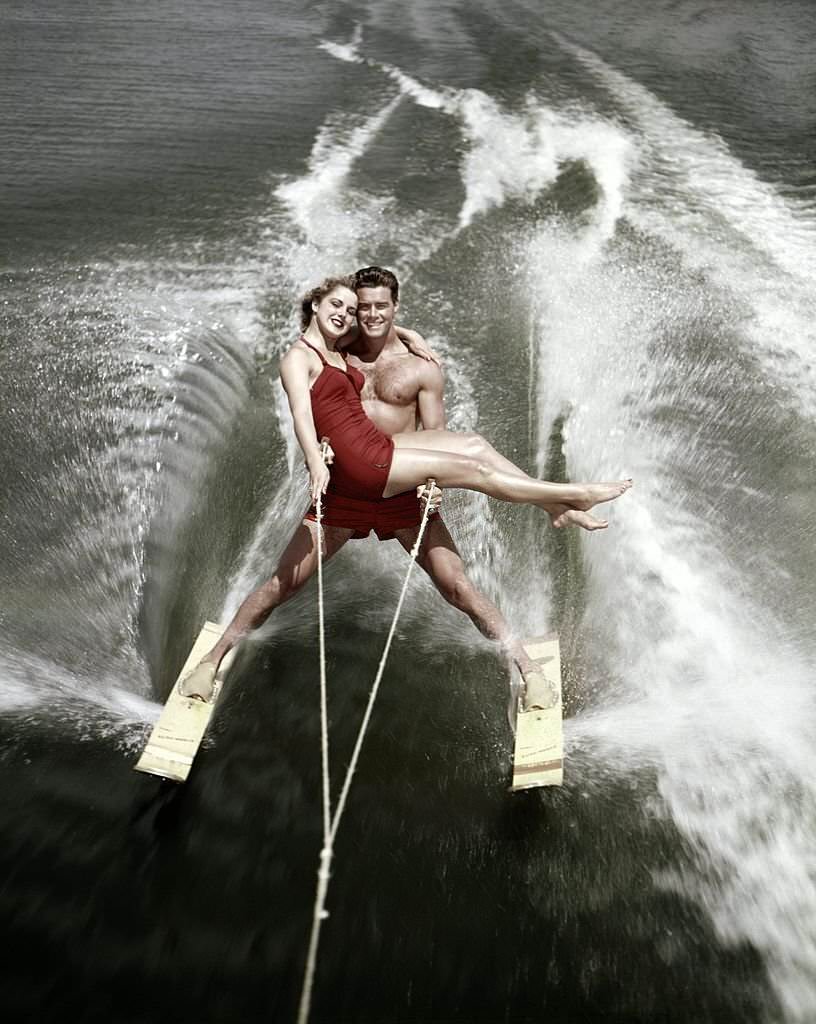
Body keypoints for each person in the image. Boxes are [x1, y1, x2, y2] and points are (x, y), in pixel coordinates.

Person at [180, 269, 631, 700]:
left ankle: (526, 668)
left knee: (459, 588)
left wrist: (432, 485)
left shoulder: (422, 369)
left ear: (396, 307)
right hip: (343, 493)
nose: (370, 315)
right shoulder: (338, 348)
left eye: (382, 307)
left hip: (400, 491)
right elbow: (310, 389)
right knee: (281, 584)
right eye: (362, 309)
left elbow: (434, 436)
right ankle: (212, 662)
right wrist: (317, 456)